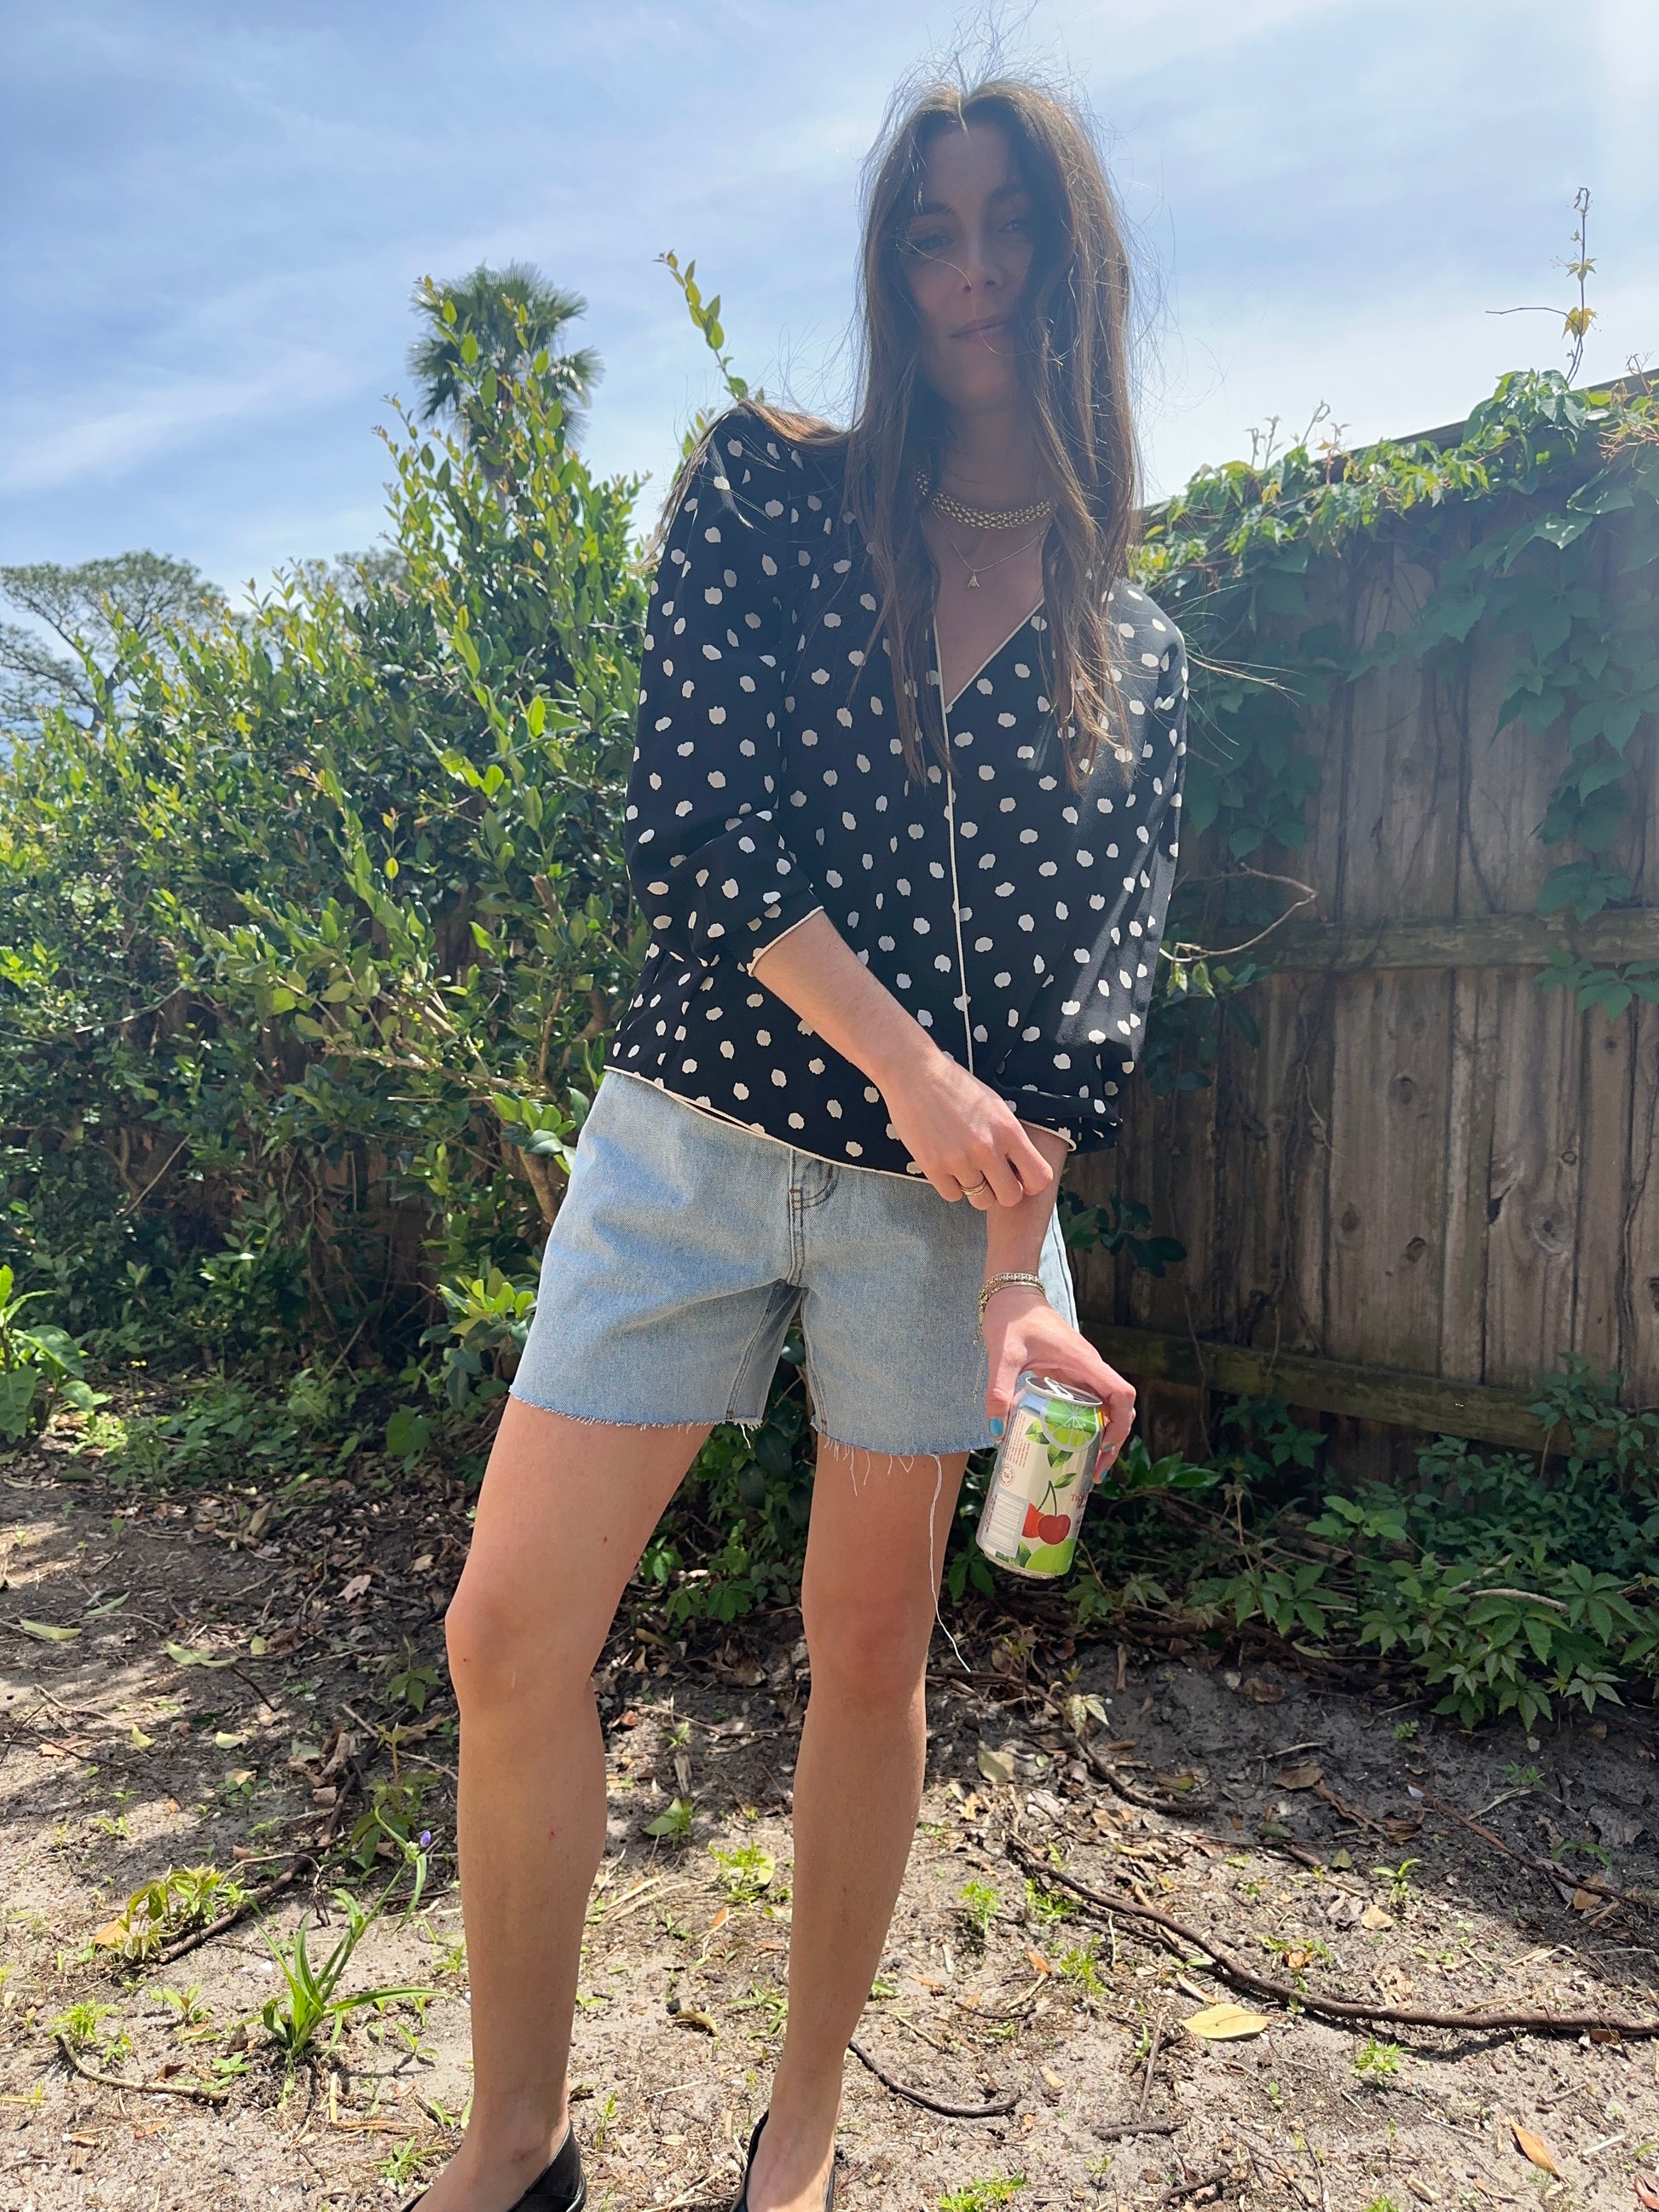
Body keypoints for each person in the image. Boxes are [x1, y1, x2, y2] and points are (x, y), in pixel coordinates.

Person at [419, 70, 1186, 2212]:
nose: (967, 269)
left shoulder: (1140, 653)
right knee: (507, 1632)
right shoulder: (766, 494)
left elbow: (1075, 1027)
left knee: (870, 1655)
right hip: (685, 1134)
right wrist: (917, 1074)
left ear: (1073, 261)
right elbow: (696, 827)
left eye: (1008, 224)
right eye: (929, 229)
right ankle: (516, 2139)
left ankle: (805, 2131)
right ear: (887, 265)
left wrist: (1025, 1284)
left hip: (926, 1227)